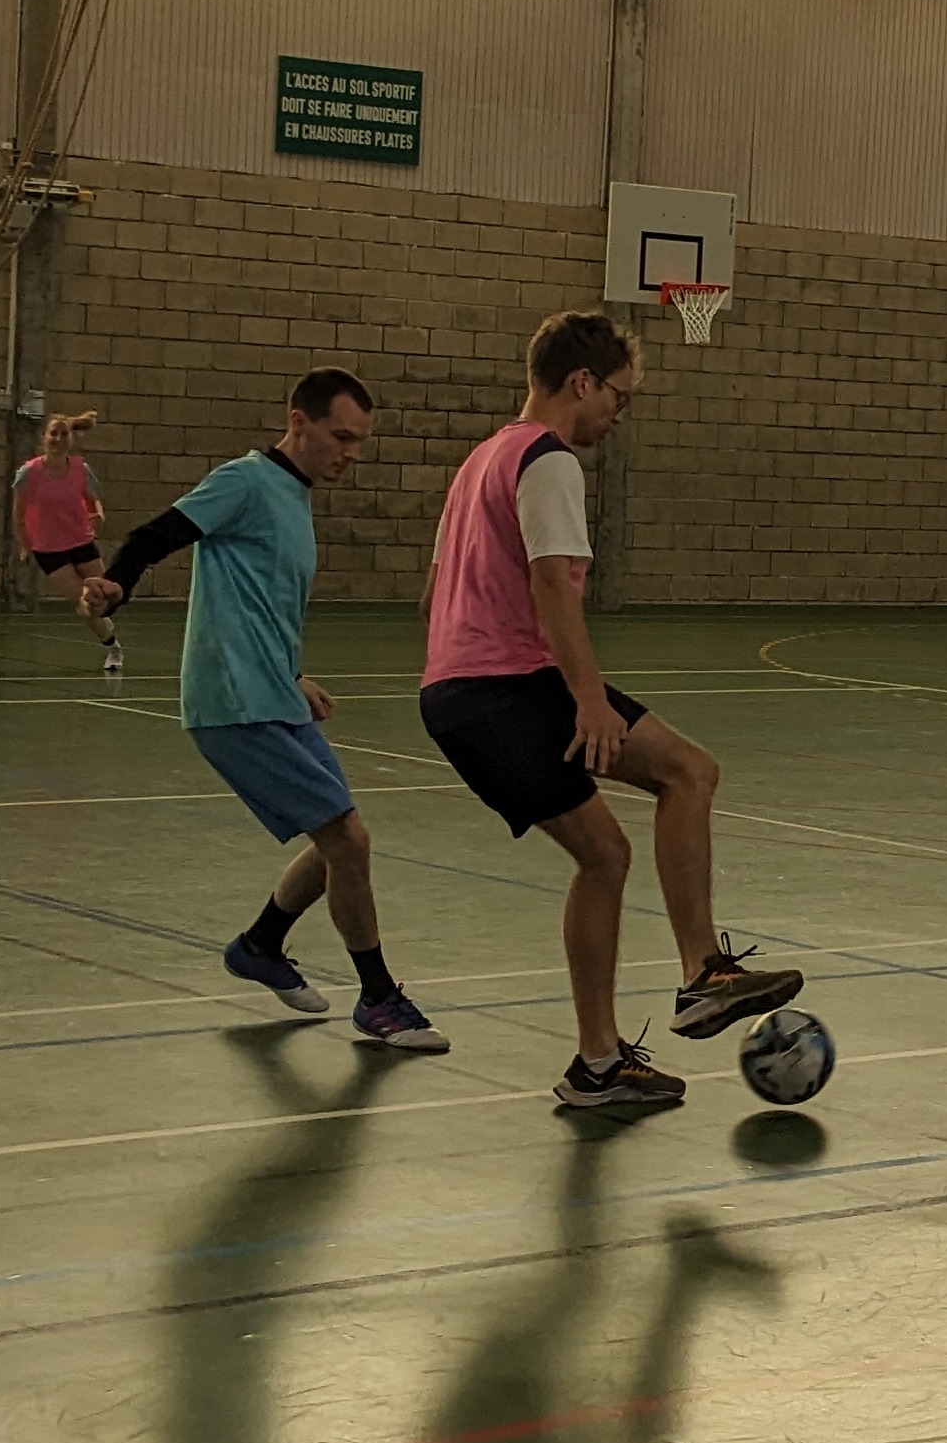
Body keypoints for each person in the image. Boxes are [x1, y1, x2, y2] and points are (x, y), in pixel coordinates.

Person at [417, 310, 801, 1113]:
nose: (618, 416)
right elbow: (550, 583)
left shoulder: (484, 457)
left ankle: (599, 1064)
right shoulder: (549, 459)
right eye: (618, 398)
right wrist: (588, 702)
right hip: (508, 687)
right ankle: (701, 974)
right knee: (687, 773)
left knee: (607, 855)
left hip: (460, 691)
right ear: (581, 382)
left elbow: (436, 589)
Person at [87, 368, 443, 1054]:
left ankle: (260, 945)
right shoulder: (245, 481)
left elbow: (259, 602)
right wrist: (116, 585)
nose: (350, 453)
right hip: (232, 702)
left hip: (274, 692)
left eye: (359, 442)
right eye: (341, 436)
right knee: (347, 839)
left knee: (340, 841)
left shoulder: (294, 495)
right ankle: (378, 998)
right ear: (298, 422)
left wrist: (294, 673)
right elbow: (158, 534)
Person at [15, 412, 121, 674]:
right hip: (48, 549)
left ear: (70, 439)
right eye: (54, 433)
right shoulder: (29, 473)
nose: (58, 439)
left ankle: (105, 628)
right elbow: (18, 515)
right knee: (87, 603)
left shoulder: (80, 469)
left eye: (64, 434)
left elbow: (93, 501)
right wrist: (24, 546)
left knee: (102, 597)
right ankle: (112, 646)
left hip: (81, 542)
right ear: (44, 437)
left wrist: (99, 514)